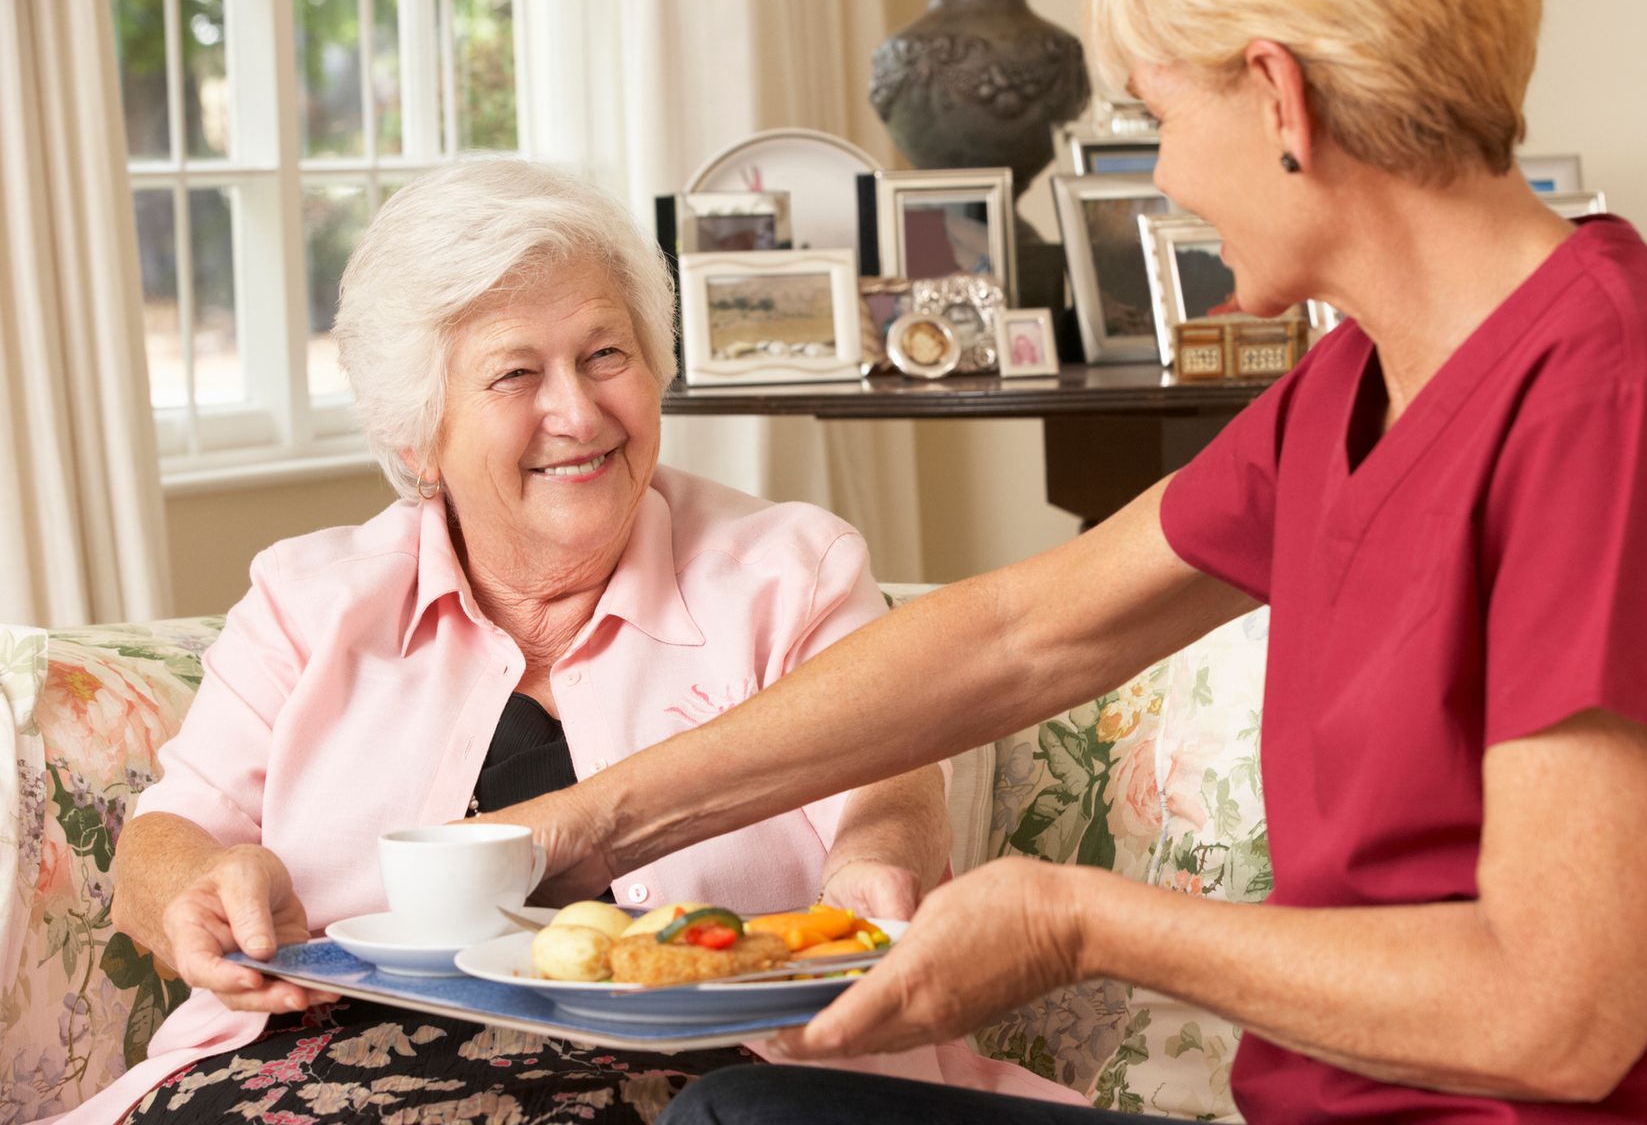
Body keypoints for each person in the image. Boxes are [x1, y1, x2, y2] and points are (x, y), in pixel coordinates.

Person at [503, 0, 1647, 1121]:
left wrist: (1082, 921)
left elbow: (1560, 1013)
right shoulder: (1354, 387)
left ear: (1279, 95)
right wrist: (578, 829)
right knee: (750, 1111)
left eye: (1156, 115)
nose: (1159, 175)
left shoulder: (1618, 402)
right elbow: (1019, 631)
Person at [68, 159, 1072, 1124]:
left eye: (606, 354)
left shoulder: (786, 572)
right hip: (308, 1067)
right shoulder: (308, 597)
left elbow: (883, 782)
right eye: (515, 373)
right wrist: (199, 892)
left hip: (696, 1070)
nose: (579, 412)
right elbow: (168, 838)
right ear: (420, 438)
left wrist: (877, 867)